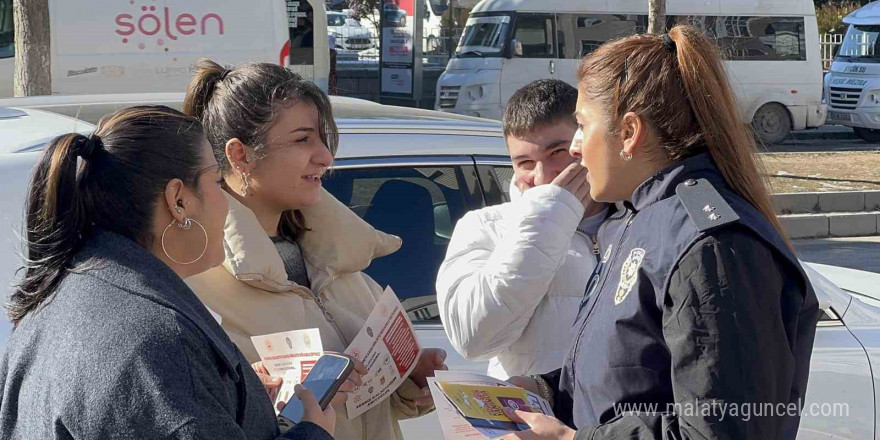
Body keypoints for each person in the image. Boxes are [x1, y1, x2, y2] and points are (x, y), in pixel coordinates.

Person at [501, 26, 820, 439]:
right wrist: (544, 390)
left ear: (630, 132)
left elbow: (719, 430)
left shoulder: (712, 246)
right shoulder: (637, 219)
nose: (576, 147)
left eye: (583, 125)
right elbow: (629, 373)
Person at [0, 106, 336, 439]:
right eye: (218, 182)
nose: (227, 202)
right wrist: (314, 433)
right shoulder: (160, 340)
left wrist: (236, 398)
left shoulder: (55, 294)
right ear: (179, 200)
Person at [182, 59, 445, 440]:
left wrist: (410, 380)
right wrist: (281, 393)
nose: (324, 156)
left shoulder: (341, 260)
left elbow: (365, 410)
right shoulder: (195, 285)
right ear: (240, 155)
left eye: (323, 138)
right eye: (303, 139)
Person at [436, 79, 608, 380]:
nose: (542, 176)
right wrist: (550, 215)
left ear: (583, 142)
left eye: (558, 153)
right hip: (538, 420)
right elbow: (473, 339)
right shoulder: (484, 227)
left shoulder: (636, 217)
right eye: (525, 162)